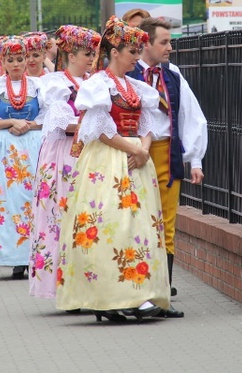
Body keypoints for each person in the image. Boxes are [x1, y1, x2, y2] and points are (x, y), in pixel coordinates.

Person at [55, 16, 170, 322]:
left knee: (140, 227)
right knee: (110, 224)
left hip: (136, 162)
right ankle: (107, 296)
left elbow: (148, 123)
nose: (137, 57)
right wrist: (134, 149)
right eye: (132, 51)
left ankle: (139, 293)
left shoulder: (137, 86)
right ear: (115, 51)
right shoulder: (97, 85)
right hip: (108, 161)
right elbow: (100, 129)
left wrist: (144, 149)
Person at [129, 17, 208, 318]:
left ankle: (162, 296)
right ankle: (136, 292)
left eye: (170, 41)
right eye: (163, 42)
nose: (170, 48)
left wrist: (195, 159)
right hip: (135, 155)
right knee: (138, 223)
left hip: (167, 153)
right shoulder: (128, 73)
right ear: (145, 43)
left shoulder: (172, 75)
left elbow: (191, 115)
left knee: (167, 228)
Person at [29, 25, 100, 300]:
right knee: (60, 216)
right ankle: (60, 284)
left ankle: (87, 281)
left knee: (87, 215)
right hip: (63, 154)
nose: (92, 60)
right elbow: (62, 123)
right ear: (70, 54)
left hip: (89, 151)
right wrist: (94, 125)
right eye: (87, 54)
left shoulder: (95, 82)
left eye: (94, 54)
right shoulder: (56, 83)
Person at [0, 36, 46, 280]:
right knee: (7, 199)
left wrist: (29, 125)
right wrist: (11, 122)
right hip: (3, 147)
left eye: (20, 59)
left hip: (32, 145)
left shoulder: (39, 86)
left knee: (31, 197)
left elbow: (48, 115)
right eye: (10, 60)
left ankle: (33, 253)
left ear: (27, 60)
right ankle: (11, 255)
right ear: (2, 61)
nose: (16, 64)